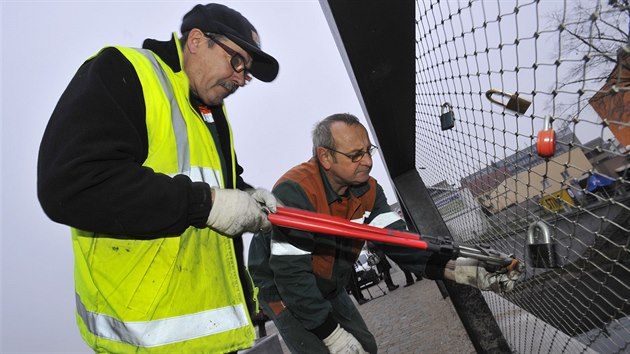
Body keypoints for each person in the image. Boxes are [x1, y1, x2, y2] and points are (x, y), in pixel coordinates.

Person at [37, 4, 279, 353]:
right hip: (144, 344)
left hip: (212, 339)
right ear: (196, 41)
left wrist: (247, 194)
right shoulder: (125, 72)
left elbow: (216, 182)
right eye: (237, 61)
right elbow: (70, 183)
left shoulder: (210, 111)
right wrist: (207, 205)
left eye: (248, 72)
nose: (242, 78)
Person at [247, 113, 523, 354]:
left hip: (328, 284)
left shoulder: (369, 190)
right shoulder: (294, 192)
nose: (367, 162)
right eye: (356, 155)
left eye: (369, 151)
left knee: (366, 347)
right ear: (325, 157)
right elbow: (291, 276)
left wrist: (464, 271)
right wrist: (333, 336)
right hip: (283, 288)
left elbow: (401, 244)